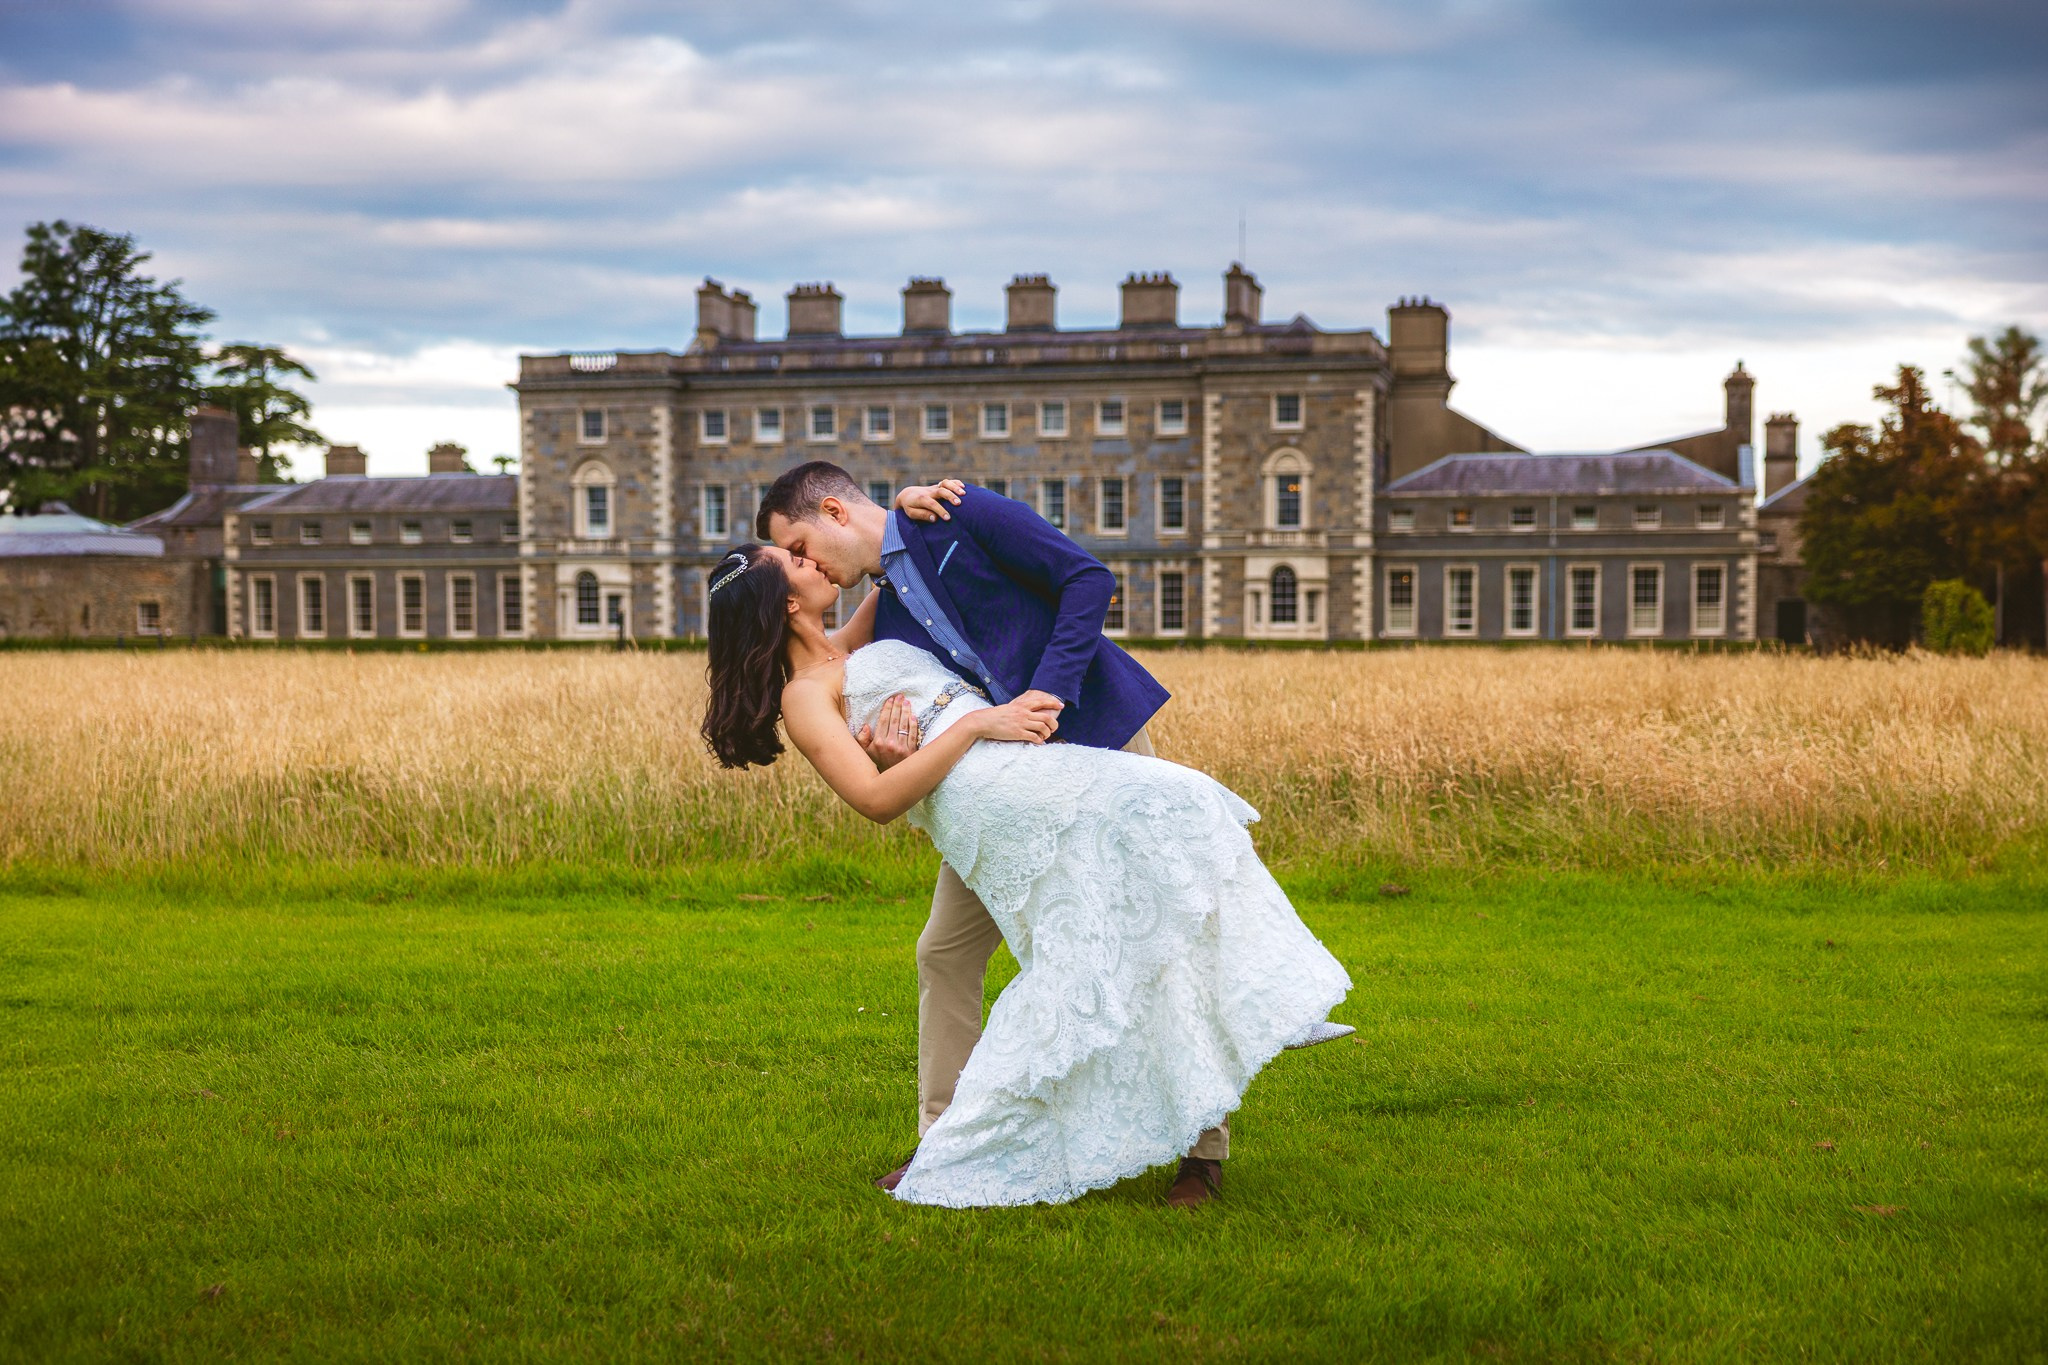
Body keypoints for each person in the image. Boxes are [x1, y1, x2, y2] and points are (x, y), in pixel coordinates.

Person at [701, 466, 1352, 1208]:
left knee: (1156, 917)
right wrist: (901, 749)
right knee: (944, 951)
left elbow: (1085, 579)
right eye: (795, 560)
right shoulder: (872, 620)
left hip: (1087, 735)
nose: (812, 564)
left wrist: (1044, 697)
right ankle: (946, 1141)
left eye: (799, 544)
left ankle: (1204, 1150)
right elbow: (894, 719)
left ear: (831, 511)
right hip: (996, 787)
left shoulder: (952, 516)